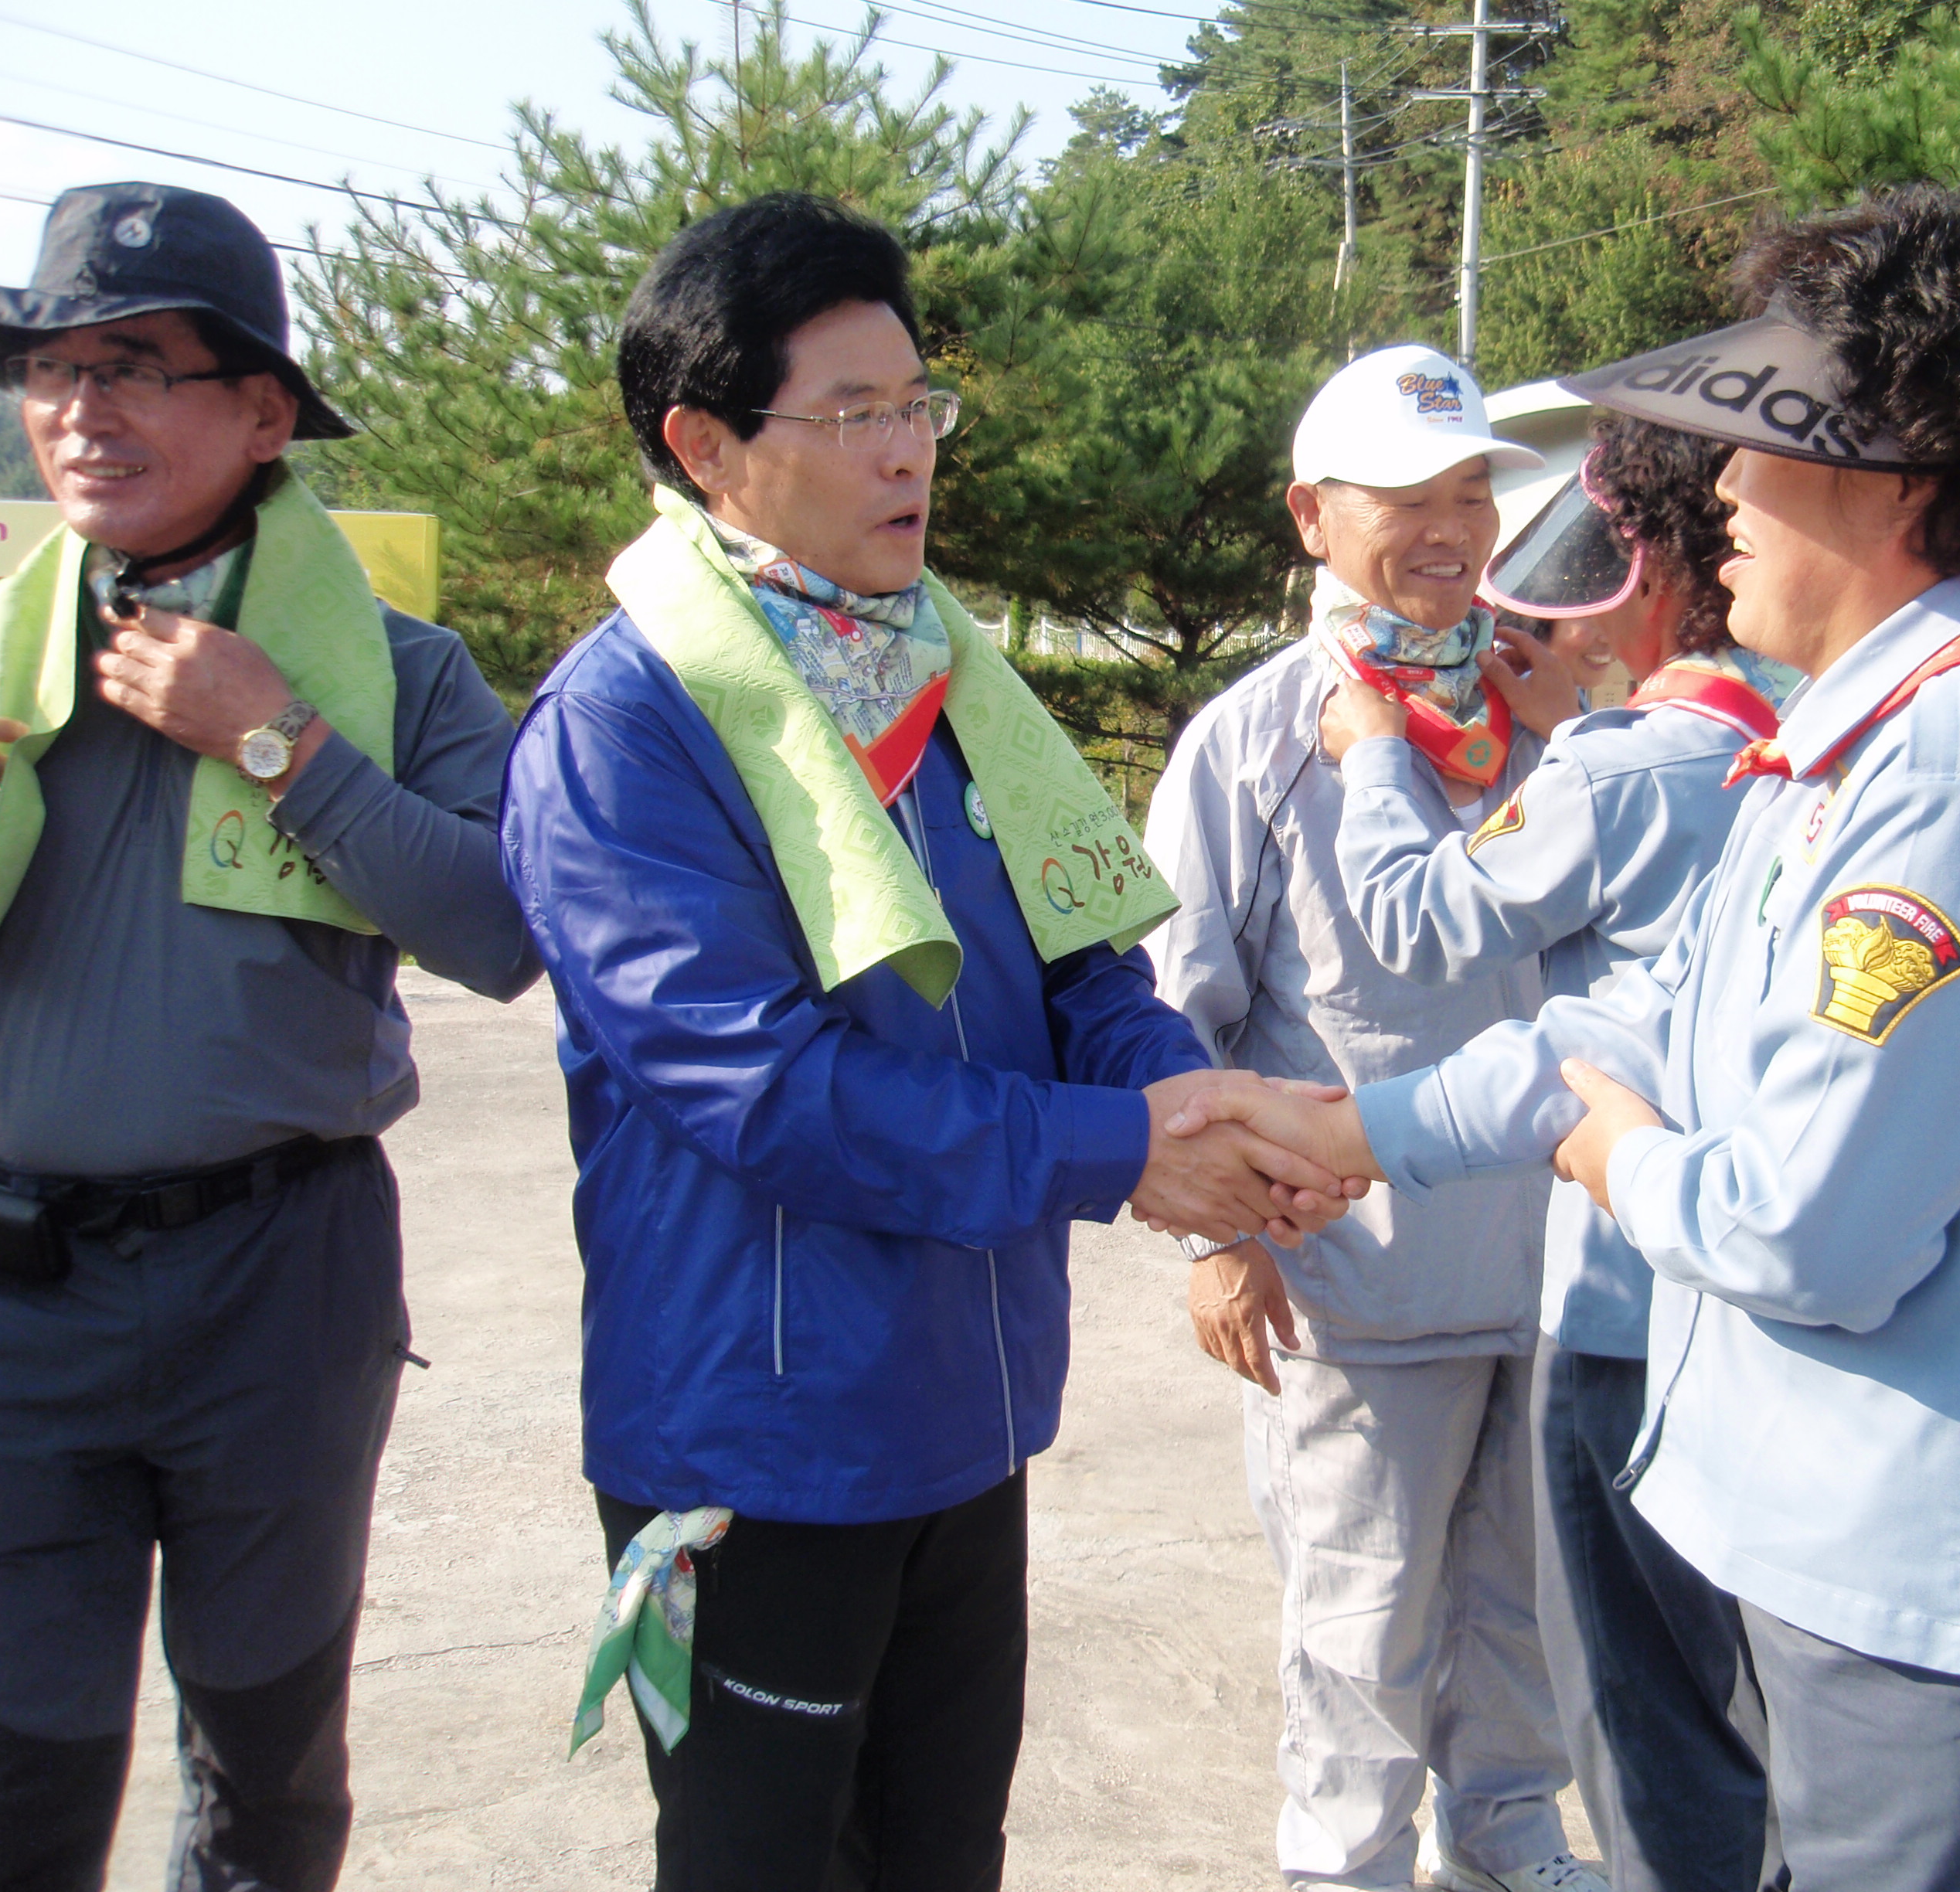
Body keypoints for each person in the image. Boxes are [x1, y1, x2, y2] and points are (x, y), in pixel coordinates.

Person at [1170, 185, 1960, 1890]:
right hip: (1847, 1552)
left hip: (1955, 1592)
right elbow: (1651, 1026)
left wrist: (1601, 1151)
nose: (1719, 495)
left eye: (1759, 445)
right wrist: (1350, 1139)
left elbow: (1801, 1227)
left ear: (1899, 479)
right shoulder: (1858, 745)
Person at [498, 192, 1355, 1892]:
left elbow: (1086, 978)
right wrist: (1128, 1155)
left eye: (917, 407)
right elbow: (765, 1090)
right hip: (761, 1439)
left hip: (964, 1414)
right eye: (851, 414)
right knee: (762, 1865)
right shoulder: (624, 725)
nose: (908, 455)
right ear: (705, 446)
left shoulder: (944, 681)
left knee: (944, 1852)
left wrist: (1202, 1109)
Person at [0, 183, 540, 1890]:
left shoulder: (392, 675)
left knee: (266, 1766)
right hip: (17, 1298)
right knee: (17, 1772)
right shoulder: (4, 668)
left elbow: (503, 931)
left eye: (139, 367)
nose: (84, 410)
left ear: (264, 416)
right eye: (56, 368)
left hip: (278, 1280)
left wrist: (281, 739)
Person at [1145, 345, 1605, 1892]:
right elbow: (1180, 1009)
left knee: (1526, 1604)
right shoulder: (1261, 739)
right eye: (1405, 498)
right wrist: (1217, 1244)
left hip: (1556, 1267)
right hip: (1357, 1285)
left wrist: (1579, 728)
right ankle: (1340, 1866)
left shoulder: (1547, 708)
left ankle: (1509, 1837)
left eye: (1472, 492)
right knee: (1362, 1623)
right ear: (1312, 518)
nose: (1450, 528)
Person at [1322, 415, 1779, 1892]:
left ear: (1646, 573)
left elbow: (1418, 920)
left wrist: (1375, 760)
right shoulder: (1786, 740)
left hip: (1619, 1296)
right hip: (1748, 1282)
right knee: (1737, 1685)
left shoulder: (1619, 766)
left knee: (1636, 1707)